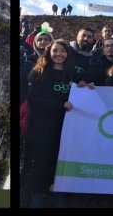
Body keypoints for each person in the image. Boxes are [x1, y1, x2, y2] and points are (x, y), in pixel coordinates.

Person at [24, 40, 77, 207]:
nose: (59, 54)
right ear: (49, 52)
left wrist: (85, 86)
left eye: (63, 51)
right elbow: (33, 99)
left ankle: (58, 192)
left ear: (67, 54)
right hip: (41, 126)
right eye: (55, 51)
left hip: (64, 127)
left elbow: (80, 94)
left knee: (60, 160)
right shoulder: (39, 72)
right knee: (41, 162)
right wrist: (59, 105)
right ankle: (38, 194)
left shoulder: (72, 74)